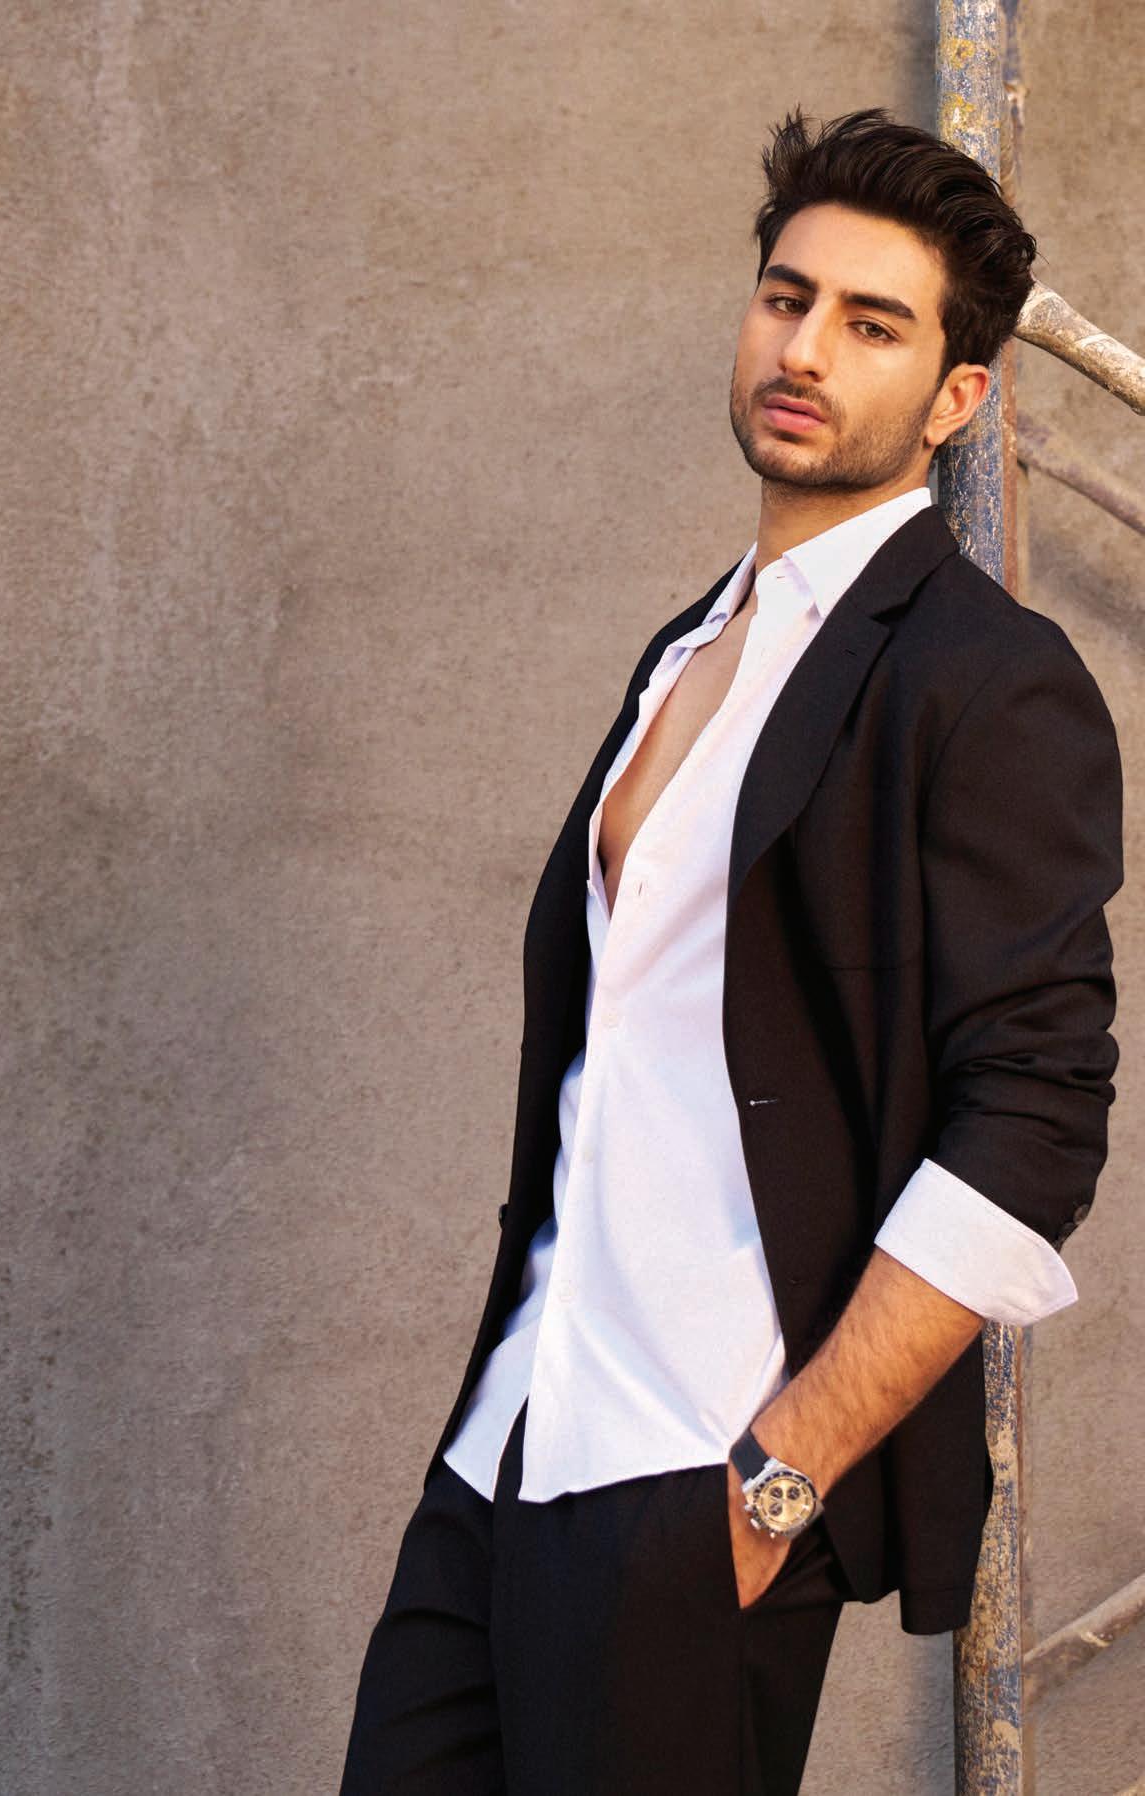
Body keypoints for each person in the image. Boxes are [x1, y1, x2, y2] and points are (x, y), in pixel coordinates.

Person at [338, 105, 1124, 1795]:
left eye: (872, 324)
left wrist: (779, 1481)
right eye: (788, 297)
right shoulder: (686, 649)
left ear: (958, 397)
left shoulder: (984, 680)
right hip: (508, 1450)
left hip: (690, 1488)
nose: (806, 349)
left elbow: (1038, 1116)